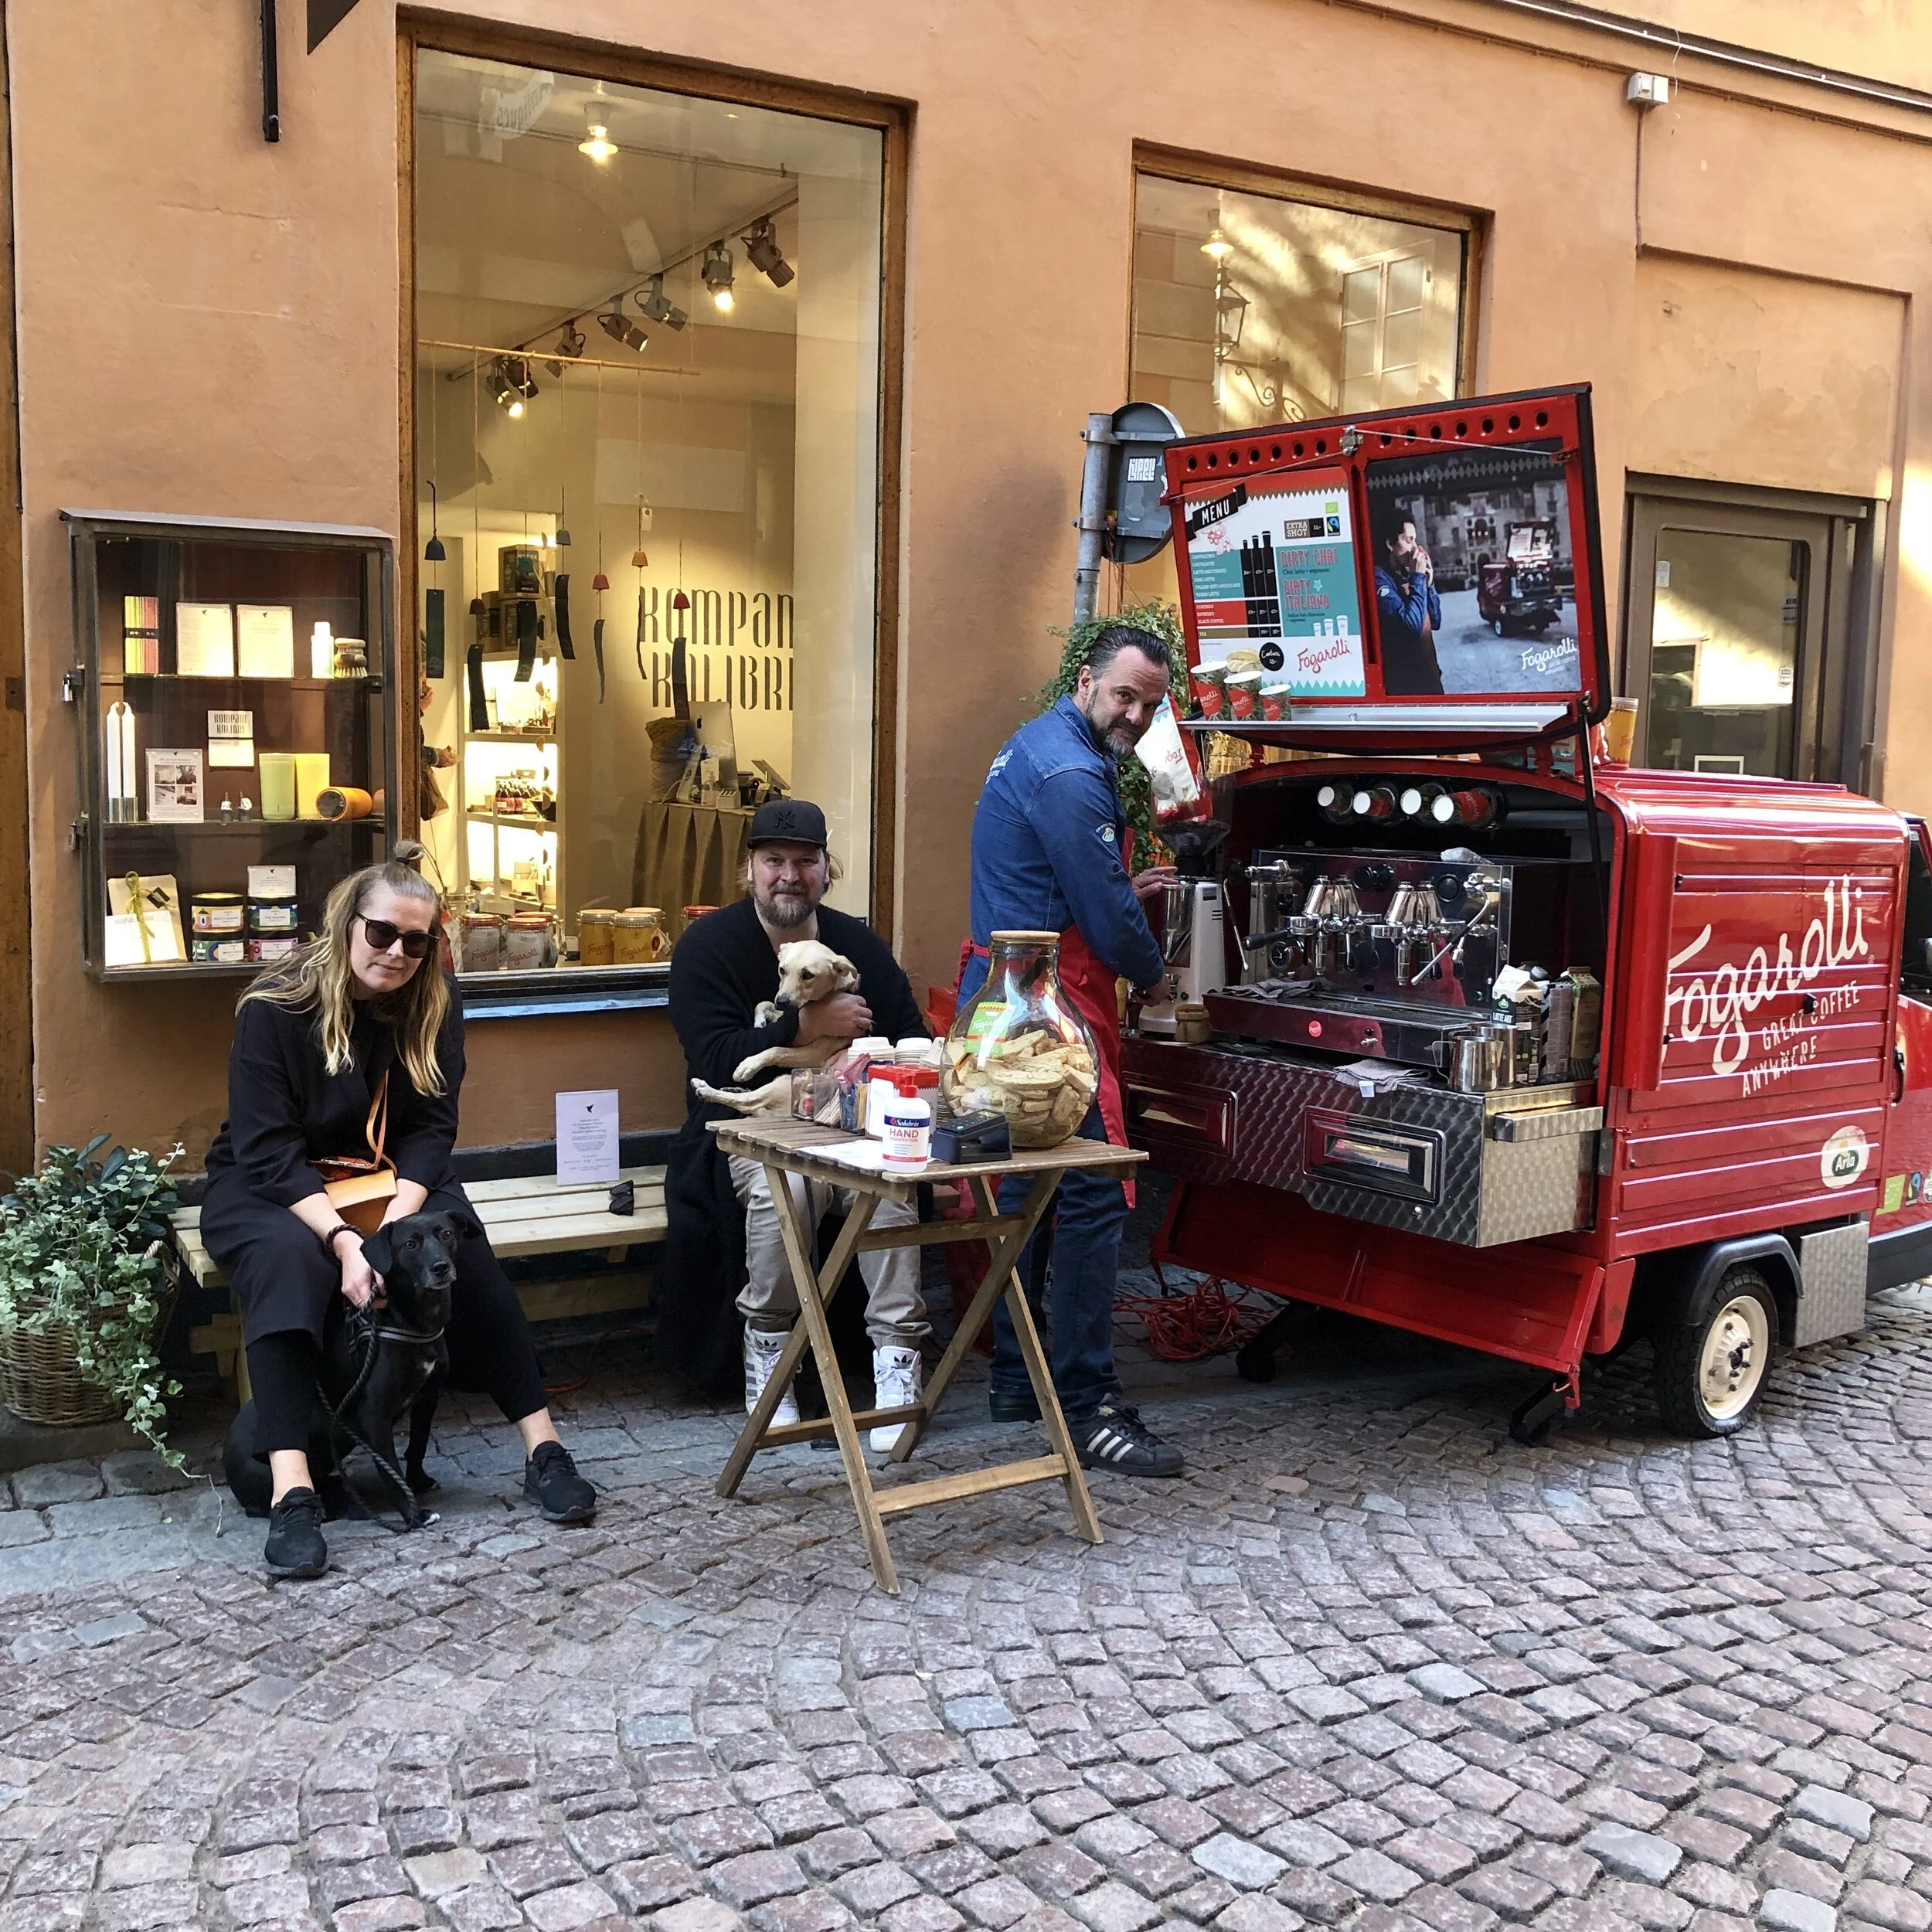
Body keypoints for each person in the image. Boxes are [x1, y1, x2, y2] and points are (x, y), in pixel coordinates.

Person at [200, 847, 596, 1580]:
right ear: (347, 924)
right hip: (272, 1181)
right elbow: (267, 1148)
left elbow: (431, 1128)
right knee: (287, 1268)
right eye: (382, 934)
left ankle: (544, 1449)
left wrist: (394, 1230)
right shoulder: (275, 1007)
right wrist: (347, 1243)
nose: (397, 953)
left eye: (417, 942)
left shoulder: (433, 1001)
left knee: (458, 1245)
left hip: (385, 1178)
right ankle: (294, 1493)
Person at [962, 624, 1185, 1478]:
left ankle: (1019, 1379)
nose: (1134, 713)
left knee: (1029, 1194)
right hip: (1045, 1015)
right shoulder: (1070, 771)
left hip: (1008, 1000)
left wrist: (1113, 890)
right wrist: (1158, 982)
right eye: (1124, 694)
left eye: (1150, 703)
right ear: (1086, 681)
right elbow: (1099, 913)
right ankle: (1088, 1404)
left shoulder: (1039, 747)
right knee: (1093, 1197)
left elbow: (1058, 881)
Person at [666, 798, 931, 1450]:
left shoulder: (857, 941)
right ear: (751, 868)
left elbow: (911, 1036)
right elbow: (716, 1062)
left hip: (849, 1127)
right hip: (751, 1128)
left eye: (804, 862)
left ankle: (896, 1365)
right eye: (774, 861)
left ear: (825, 872)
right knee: (787, 1191)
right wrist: (805, 1026)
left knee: (891, 1193)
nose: (789, 875)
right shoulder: (707, 945)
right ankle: (770, 1364)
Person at [1371, 500, 1445, 696]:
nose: (1415, 548)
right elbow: (1411, 626)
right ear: (1390, 544)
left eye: (1415, 540)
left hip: (1430, 677)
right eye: (1409, 540)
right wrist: (1418, 577)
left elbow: (1435, 621)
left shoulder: (1408, 575)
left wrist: (1429, 583)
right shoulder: (1379, 579)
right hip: (1408, 686)